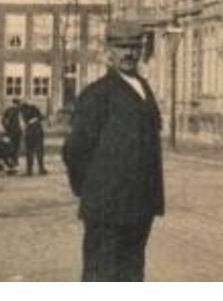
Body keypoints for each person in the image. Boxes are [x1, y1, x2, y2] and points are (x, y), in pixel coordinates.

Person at [63, 20, 165, 282]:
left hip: (140, 205)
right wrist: (91, 190)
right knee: (102, 276)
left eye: (135, 46)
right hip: (107, 207)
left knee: (131, 275)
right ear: (109, 50)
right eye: (122, 47)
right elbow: (75, 150)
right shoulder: (97, 94)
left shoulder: (144, 87)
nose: (129, 53)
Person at [19, 98, 47, 175]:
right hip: (38, 131)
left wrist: (24, 129)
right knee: (39, 151)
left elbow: (23, 123)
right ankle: (41, 169)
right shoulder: (34, 109)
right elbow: (42, 117)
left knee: (29, 151)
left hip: (29, 132)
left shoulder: (23, 111)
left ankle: (29, 170)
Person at [1, 98, 25, 162]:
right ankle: (13, 160)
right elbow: (3, 120)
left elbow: (3, 120)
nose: (17, 105)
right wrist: (7, 127)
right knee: (14, 146)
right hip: (14, 131)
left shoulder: (10, 110)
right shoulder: (15, 111)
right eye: (17, 104)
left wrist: (6, 127)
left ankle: (14, 160)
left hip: (14, 131)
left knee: (14, 146)